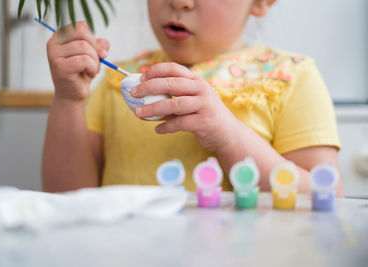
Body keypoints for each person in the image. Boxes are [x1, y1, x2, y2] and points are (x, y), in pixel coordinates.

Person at [42, 0, 342, 195]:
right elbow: (68, 197)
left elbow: (323, 198)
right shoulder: (117, 82)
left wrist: (228, 138)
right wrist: (69, 100)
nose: (179, 2)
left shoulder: (291, 77)